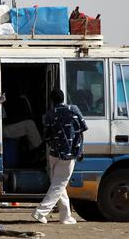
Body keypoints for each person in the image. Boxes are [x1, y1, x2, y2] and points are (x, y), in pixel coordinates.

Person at [32, 89, 88, 225]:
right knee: (59, 185)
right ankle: (40, 212)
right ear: (64, 98)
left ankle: (65, 216)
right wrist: (80, 151)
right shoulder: (74, 109)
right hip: (68, 154)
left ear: (51, 100)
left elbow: (47, 136)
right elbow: (82, 130)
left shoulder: (49, 114)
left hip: (54, 153)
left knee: (58, 184)